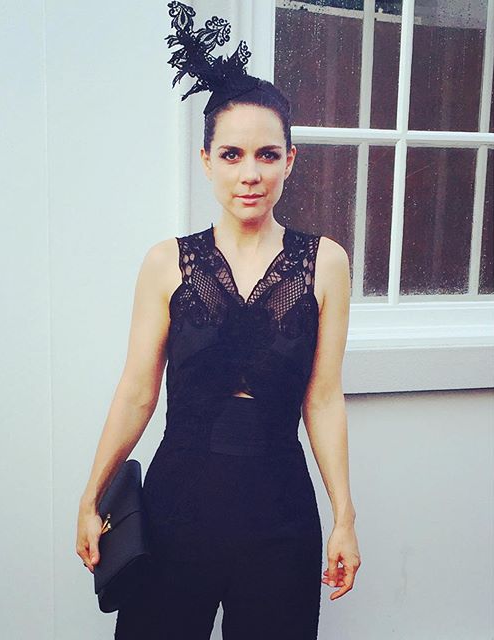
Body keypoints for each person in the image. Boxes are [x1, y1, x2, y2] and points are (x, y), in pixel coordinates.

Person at [76, 3, 360, 638]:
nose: (249, 173)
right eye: (232, 154)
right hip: (176, 510)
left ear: (290, 159)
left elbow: (323, 397)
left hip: (280, 517)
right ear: (206, 159)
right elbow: (137, 391)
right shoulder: (166, 263)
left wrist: (344, 515)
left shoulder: (326, 264)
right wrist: (91, 496)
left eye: (267, 154)